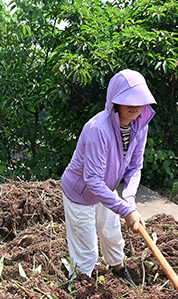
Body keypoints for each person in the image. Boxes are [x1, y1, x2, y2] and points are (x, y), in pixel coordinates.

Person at [61, 69, 156, 286]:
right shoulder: (98, 129)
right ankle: (77, 287)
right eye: (128, 101)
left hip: (105, 188)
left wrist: (129, 201)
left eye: (139, 101)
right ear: (115, 102)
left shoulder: (140, 125)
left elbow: (134, 167)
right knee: (86, 252)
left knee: (112, 234)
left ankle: (118, 270)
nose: (135, 106)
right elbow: (92, 179)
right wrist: (125, 210)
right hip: (81, 193)